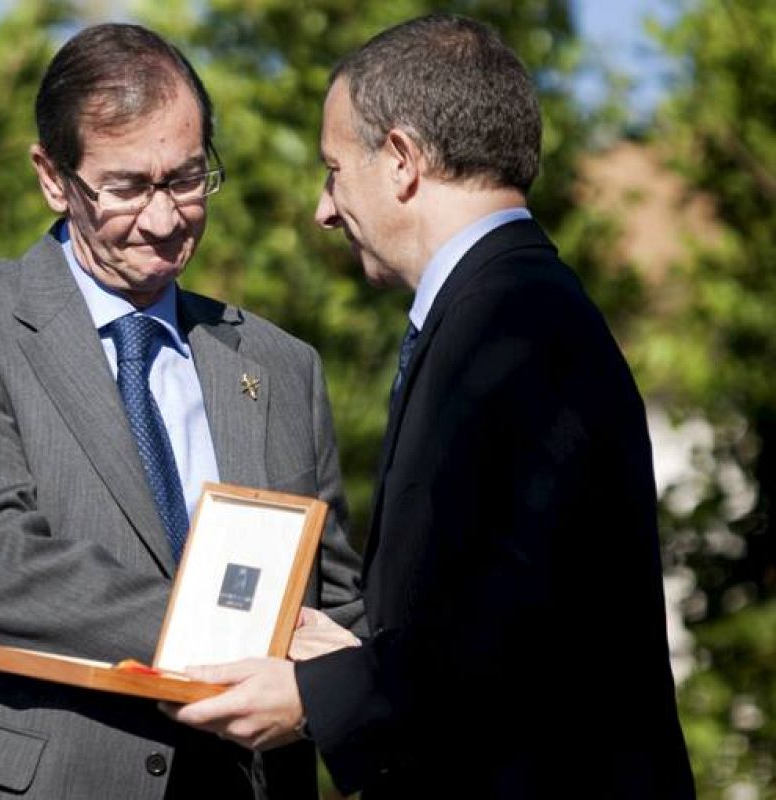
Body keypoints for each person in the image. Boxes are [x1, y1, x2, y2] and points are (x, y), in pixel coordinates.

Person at [165, 13, 697, 799]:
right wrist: (351, 651)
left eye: (333, 169)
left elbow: (519, 632)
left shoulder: (515, 329)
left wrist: (320, 697)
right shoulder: (504, 310)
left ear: (402, 161)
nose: (323, 208)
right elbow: (479, 597)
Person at [0, 23, 364, 800]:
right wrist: (238, 641)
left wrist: (335, 692)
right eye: (128, 187)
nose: (167, 218)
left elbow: (335, 601)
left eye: (186, 178)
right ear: (52, 178)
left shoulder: (280, 367)